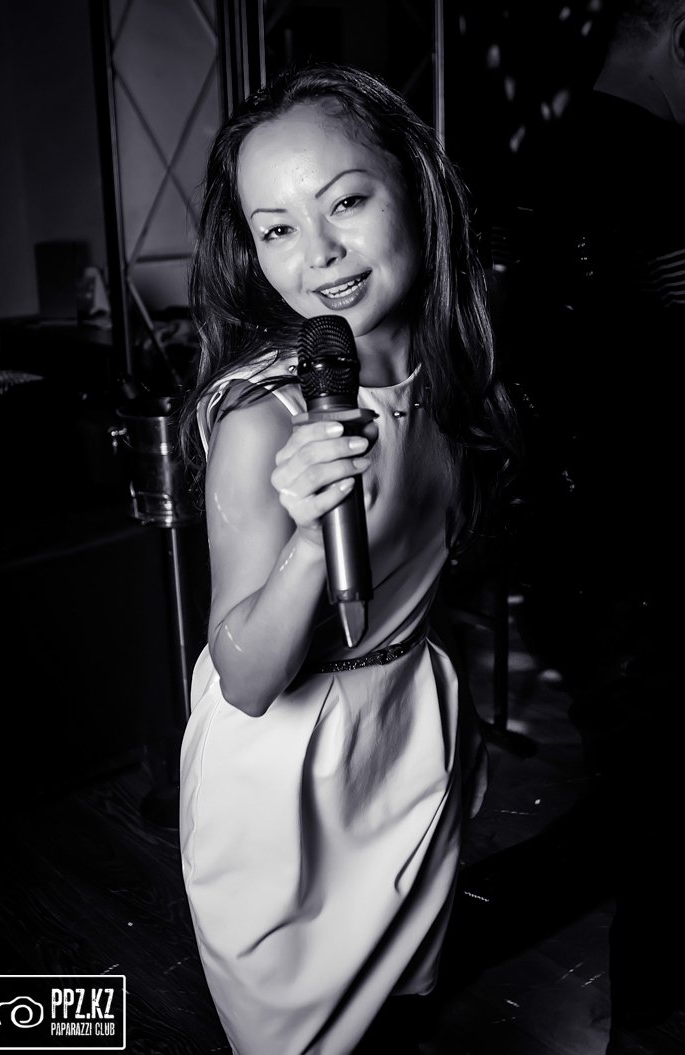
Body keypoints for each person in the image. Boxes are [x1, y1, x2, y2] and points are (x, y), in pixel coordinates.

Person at [177, 62, 519, 1055]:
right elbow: (245, 678)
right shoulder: (262, 419)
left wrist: (451, 723)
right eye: (276, 227)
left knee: (404, 1019)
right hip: (284, 781)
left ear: (413, 184)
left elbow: (426, 581)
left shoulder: (455, 372)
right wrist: (304, 535)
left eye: (346, 202)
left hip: (407, 740)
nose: (318, 254)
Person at [500, 2, 685, 1052]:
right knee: (658, 807)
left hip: (582, 540)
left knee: (642, 799)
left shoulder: (545, 156)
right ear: (675, 26)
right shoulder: (652, 162)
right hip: (645, 542)